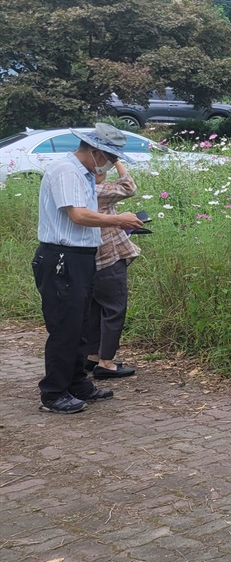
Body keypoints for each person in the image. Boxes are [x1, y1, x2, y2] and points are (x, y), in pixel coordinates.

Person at [32, 123, 144, 414]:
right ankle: (54, 393)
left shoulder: (83, 172)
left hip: (81, 256)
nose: (108, 163)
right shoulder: (67, 171)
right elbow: (78, 215)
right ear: (95, 151)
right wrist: (119, 221)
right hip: (62, 257)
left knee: (81, 324)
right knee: (65, 328)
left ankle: (78, 383)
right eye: (108, 157)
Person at [86, 155, 143, 380]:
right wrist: (116, 160)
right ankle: (106, 362)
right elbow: (129, 186)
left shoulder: (79, 192)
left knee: (93, 309)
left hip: (89, 258)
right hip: (109, 256)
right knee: (114, 309)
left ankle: (91, 356)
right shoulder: (99, 192)